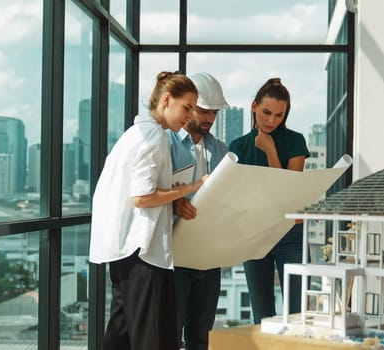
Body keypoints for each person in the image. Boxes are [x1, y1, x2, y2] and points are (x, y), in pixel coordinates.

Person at [89, 71, 207, 350]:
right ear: (167, 100)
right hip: (142, 252)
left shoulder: (134, 134)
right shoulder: (153, 136)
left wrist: (173, 196)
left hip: (122, 253)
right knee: (155, 337)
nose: (189, 116)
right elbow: (142, 197)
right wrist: (191, 187)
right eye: (186, 107)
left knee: (121, 334)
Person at [228, 77, 310, 324]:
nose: (271, 120)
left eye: (279, 115)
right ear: (254, 106)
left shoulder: (295, 141)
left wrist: (271, 150)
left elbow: (287, 192)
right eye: (266, 112)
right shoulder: (238, 146)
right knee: (262, 316)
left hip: (290, 234)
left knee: (297, 314)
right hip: (254, 234)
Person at [167, 72, 230, 350]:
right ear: (190, 107)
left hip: (207, 257)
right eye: (205, 111)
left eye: (214, 113)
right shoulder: (166, 143)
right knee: (169, 333)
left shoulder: (220, 150)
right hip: (175, 256)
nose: (210, 119)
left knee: (201, 336)